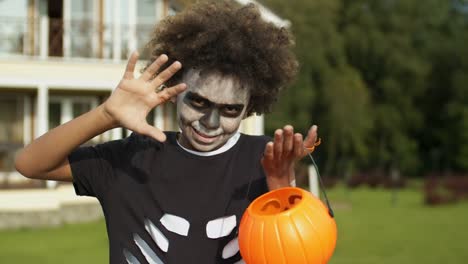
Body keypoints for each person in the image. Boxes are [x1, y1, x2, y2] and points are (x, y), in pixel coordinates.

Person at [15, 1, 319, 263]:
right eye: (199, 102)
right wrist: (106, 115)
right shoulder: (131, 158)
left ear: (250, 105)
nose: (211, 122)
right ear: (174, 91)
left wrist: (280, 191)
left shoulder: (263, 159)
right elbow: (30, 164)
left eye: (230, 110)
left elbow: (297, 254)